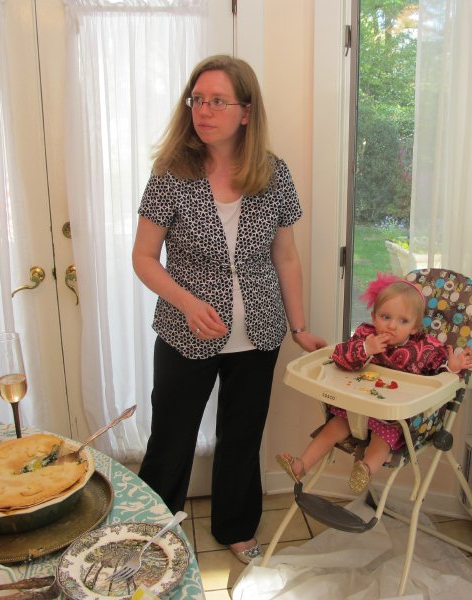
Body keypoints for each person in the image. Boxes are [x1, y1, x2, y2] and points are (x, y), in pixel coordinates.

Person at [132, 54, 326, 564]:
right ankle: (152, 532)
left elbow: (285, 254)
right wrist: (188, 302)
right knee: (171, 439)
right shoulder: (171, 172)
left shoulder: (274, 172)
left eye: (218, 100)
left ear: (246, 111)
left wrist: (300, 326)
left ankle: (236, 527)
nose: (204, 109)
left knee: (242, 436)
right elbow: (144, 258)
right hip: (184, 331)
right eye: (197, 99)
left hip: (259, 332)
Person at [277, 273, 472, 494]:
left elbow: (438, 379)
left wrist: (453, 368)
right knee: (331, 429)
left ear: (414, 327)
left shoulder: (425, 349)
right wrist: (366, 349)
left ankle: (364, 469)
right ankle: (300, 465)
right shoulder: (366, 336)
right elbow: (340, 357)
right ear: (374, 316)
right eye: (385, 317)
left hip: (391, 419)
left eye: (403, 321)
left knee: (382, 441)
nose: (392, 326)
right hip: (354, 409)